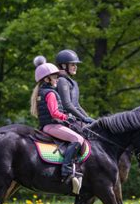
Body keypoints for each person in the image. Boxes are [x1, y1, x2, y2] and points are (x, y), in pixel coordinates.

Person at [30, 56, 84, 193]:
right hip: (53, 126)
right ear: (47, 79)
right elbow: (54, 113)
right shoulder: (50, 93)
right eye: (55, 77)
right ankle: (66, 169)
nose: (58, 80)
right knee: (77, 139)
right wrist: (68, 117)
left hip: (47, 126)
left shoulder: (41, 92)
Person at [55, 49, 95, 124]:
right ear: (64, 65)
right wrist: (83, 118)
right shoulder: (62, 81)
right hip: (64, 119)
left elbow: (76, 105)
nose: (75, 67)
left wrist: (89, 119)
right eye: (72, 64)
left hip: (73, 118)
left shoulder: (72, 82)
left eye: (76, 65)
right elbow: (67, 105)